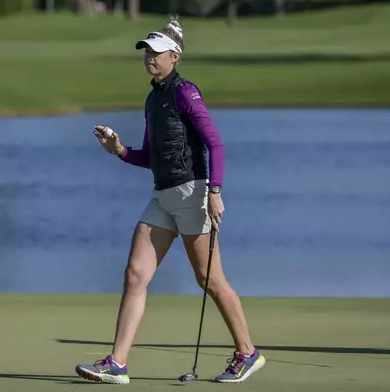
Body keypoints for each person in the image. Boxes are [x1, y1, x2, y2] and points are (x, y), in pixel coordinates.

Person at [74, 16, 265, 385]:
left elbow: (216, 145)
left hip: (194, 194)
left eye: (157, 52)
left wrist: (215, 192)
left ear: (174, 56)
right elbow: (149, 157)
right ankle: (117, 363)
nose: (150, 57)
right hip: (162, 197)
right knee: (135, 274)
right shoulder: (152, 98)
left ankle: (247, 353)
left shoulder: (185, 92)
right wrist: (118, 150)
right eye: (146, 51)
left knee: (210, 281)